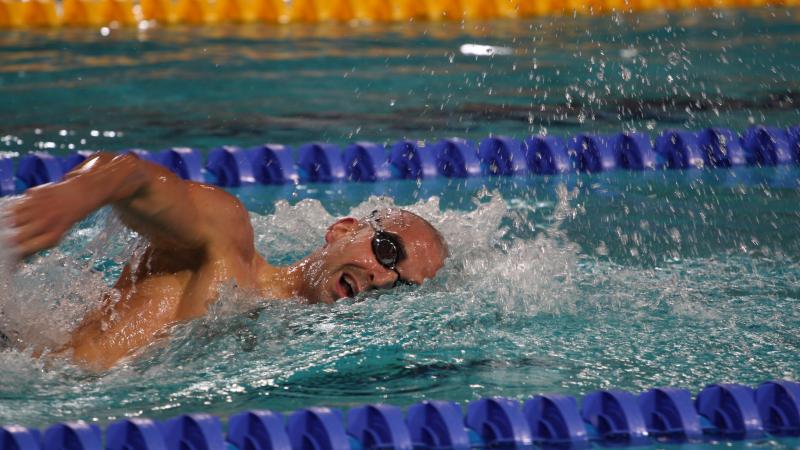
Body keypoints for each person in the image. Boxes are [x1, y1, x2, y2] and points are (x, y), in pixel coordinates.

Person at [1, 152, 448, 370]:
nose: (382, 277)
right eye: (387, 251)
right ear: (343, 230)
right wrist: (70, 195)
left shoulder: (290, 349)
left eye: (400, 282)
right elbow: (131, 175)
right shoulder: (227, 248)